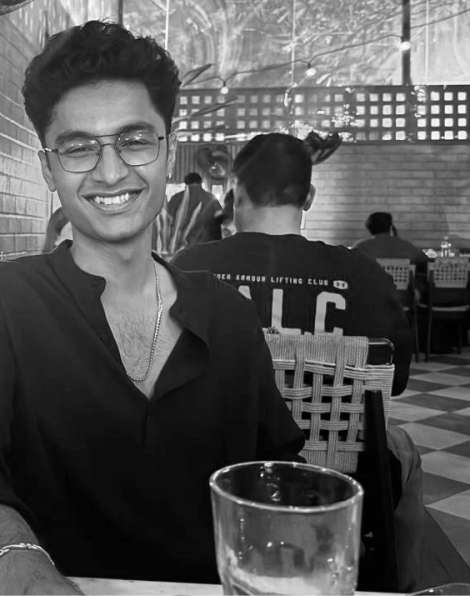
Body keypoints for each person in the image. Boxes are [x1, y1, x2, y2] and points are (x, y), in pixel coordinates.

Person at [0, 22, 304, 596]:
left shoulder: (227, 315)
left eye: (135, 140)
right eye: (79, 147)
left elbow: (274, 485)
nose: (110, 172)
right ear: (48, 168)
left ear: (167, 150)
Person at [173, 132, 422, 591]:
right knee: (403, 446)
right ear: (309, 196)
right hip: (334, 478)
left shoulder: (189, 266)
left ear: (235, 194)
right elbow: (395, 379)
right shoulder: (361, 275)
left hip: (213, 466)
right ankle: (392, 584)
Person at [163, 172, 222, 253]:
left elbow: (166, 222)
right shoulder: (211, 198)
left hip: (181, 250)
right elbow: (220, 220)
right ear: (200, 183)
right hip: (206, 248)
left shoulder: (176, 198)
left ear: (185, 183)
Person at [352, 212, 429, 267]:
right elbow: (427, 262)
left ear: (369, 227)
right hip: (400, 286)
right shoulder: (407, 246)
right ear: (390, 227)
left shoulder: (360, 247)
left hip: (371, 285)